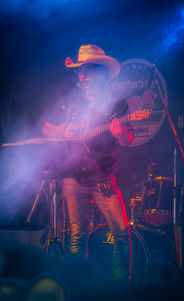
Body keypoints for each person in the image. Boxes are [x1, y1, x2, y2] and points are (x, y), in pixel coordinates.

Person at [42, 45, 133, 280]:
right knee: (76, 235)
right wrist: (64, 129)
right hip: (73, 176)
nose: (81, 75)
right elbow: (46, 129)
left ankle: (120, 287)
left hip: (103, 177)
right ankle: (77, 285)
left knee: (121, 234)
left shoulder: (117, 104)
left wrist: (119, 132)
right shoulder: (70, 103)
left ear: (101, 73)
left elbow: (127, 139)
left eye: (88, 70)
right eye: (79, 71)